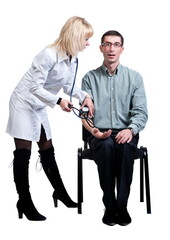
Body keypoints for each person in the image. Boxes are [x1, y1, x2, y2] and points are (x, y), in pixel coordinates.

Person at [6, 16, 95, 221]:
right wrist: (59, 102)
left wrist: (86, 97)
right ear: (75, 36)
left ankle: (60, 193)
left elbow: (69, 87)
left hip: (40, 104)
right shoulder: (48, 54)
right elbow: (34, 87)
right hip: (23, 101)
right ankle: (24, 202)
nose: (88, 43)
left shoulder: (73, 57)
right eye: (85, 38)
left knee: (47, 149)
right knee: (23, 153)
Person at [81, 30, 148, 226]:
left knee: (126, 147)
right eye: (107, 44)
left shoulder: (134, 78)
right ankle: (109, 206)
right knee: (107, 146)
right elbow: (84, 113)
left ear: (122, 49)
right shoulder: (89, 78)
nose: (111, 49)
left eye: (116, 44)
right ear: (101, 48)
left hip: (126, 131)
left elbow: (141, 112)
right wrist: (95, 131)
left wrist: (131, 130)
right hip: (98, 132)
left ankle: (122, 206)